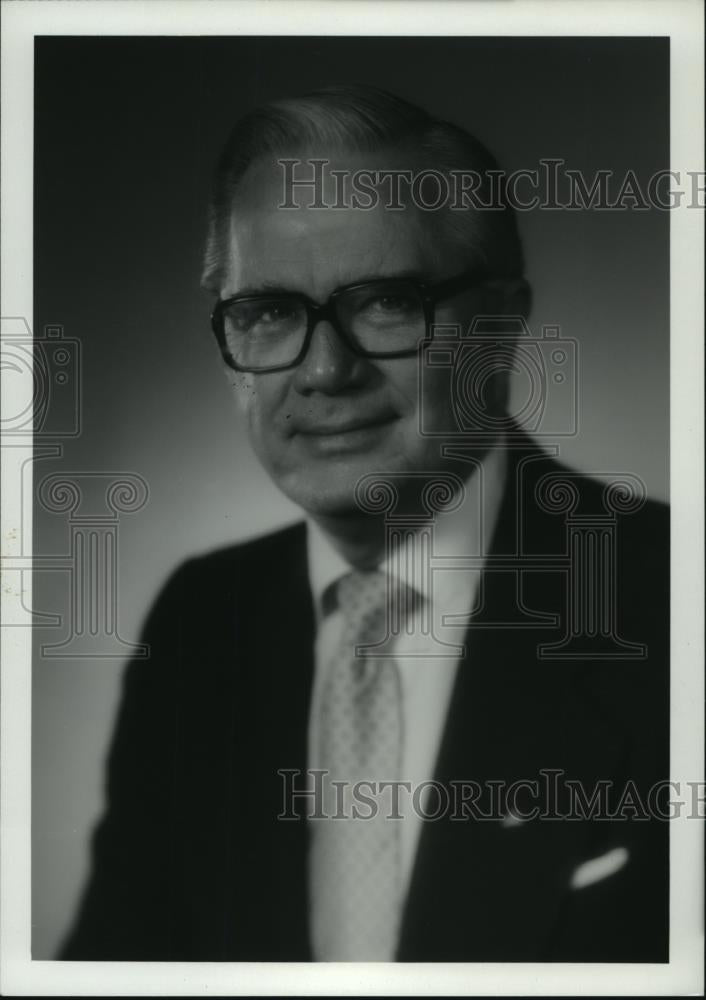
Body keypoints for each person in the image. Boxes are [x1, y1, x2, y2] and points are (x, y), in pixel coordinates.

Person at [60, 85, 669, 962]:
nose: (324, 370)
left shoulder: (676, 604)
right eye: (268, 313)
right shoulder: (200, 623)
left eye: (384, 302)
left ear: (500, 323)